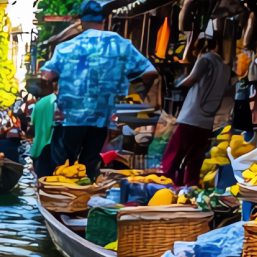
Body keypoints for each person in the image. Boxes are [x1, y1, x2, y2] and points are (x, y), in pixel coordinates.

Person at [38, 0, 158, 175]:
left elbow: (46, 76)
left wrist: (53, 95)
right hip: (104, 120)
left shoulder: (65, 47)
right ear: (103, 21)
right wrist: (127, 91)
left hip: (70, 120)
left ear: (82, 22)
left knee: (62, 170)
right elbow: (150, 73)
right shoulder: (121, 44)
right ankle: (85, 198)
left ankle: (62, 198)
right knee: (89, 166)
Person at [161, 35, 232, 186]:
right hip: (207, 120)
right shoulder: (225, 67)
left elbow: (192, 79)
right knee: (195, 157)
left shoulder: (206, 59)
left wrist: (176, 84)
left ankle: (166, 183)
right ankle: (190, 186)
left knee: (174, 153)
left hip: (192, 116)